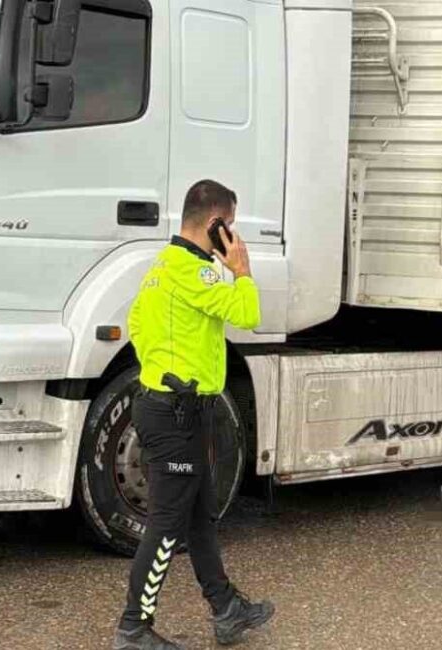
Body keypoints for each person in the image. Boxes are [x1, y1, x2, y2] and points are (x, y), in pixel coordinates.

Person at [113, 180, 275, 650]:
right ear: (215, 224)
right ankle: (133, 628)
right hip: (177, 414)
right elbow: (248, 314)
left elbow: (139, 327)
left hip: (171, 406)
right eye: (232, 227)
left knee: (200, 516)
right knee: (167, 522)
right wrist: (240, 270)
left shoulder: (161, 266)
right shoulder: (198, 273)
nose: (234, 237)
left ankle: (226, 609)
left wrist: (165, 367)